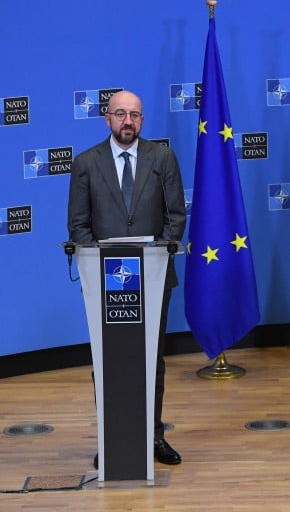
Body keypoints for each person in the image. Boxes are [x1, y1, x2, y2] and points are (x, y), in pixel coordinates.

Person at [67, 89, 186, 467]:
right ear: (107, 119)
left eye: (134, 114)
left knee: (152, 360)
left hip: (152, 279)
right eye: (120, 114)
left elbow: (175, 218)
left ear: (143, 120)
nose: (127, 121)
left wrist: (155, 257)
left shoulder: (162, 158)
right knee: (110, 361)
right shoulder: (86, 163)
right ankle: (114, 439)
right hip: (105, 283)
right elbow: (79, 225)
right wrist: (101, 268)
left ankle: (153, 437)